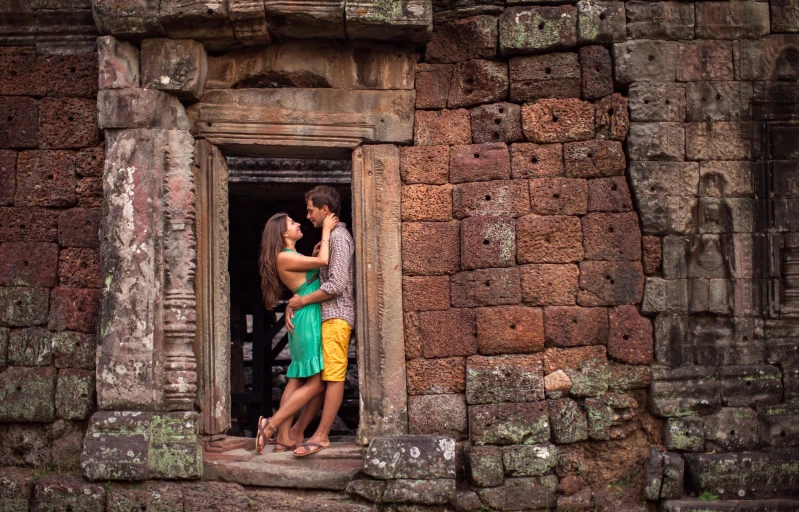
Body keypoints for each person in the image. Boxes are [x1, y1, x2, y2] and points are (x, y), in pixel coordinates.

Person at [255, 211, 338, 454]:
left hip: (304, 316)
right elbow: (324, 262)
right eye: (292, 222)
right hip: (307, 320)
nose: (299, 223)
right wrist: (326, 231)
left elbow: (305, 281)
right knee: (318, 382)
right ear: (283, 232)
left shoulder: (291, 255)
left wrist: (295, 298)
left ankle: (283, 439)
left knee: (297, 378)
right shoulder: (283, 256)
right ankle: (270, 425)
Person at [285, 185, 356, 457]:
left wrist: (302, 302)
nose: (308, 215)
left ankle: (322, 436)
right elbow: (325, 279)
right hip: (327, 317)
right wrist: (295, 300)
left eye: (311, 210)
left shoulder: (338, 237)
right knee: (325, 377)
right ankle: (298, 432)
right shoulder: (332, 239)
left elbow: (336, 285)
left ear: (325, 210)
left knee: (334, 377)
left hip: (336, 316)